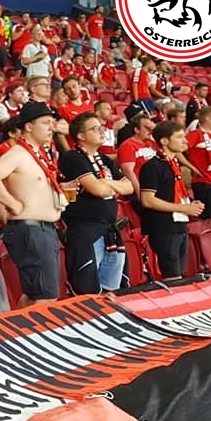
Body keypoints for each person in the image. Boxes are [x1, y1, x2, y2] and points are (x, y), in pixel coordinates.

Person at [0, 101, 69, 306]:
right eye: (45, 123)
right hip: (31, 229)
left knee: (34, 294)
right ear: (28, 126)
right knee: (46, 296)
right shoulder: (18, 153)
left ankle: (20, 326)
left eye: (52, 122)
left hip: (41, 229)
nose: (51, 127)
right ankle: (35, 327)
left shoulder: (36, 153)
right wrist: (12, 203)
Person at [59, 112, 134, 293]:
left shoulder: (105, 159)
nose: (102, 131)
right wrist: (109, 186)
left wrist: (105, 183)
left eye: (102, 128)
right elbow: (98, 190)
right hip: (86, 233)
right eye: (95, 129)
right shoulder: (72, 158)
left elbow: (130, 187)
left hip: (110, 231)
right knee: (89, 292)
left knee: (112, 291)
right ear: (81, 136)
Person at [138, 122, 205, 280]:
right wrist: (183, 208)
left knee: (179, 275)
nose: (185, 141)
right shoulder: (152, 166)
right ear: (164, 141)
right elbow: (147, 200)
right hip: (164, 228)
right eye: (180, 137)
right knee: (173, 278)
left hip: (179, 225)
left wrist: (189, 205)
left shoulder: (173, 163)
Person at [185, 106, 211, 220]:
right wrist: (191, 167)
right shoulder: (195, 134)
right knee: (206, 218)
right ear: (207, 118)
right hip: (205, 182)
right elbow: (177, 150)